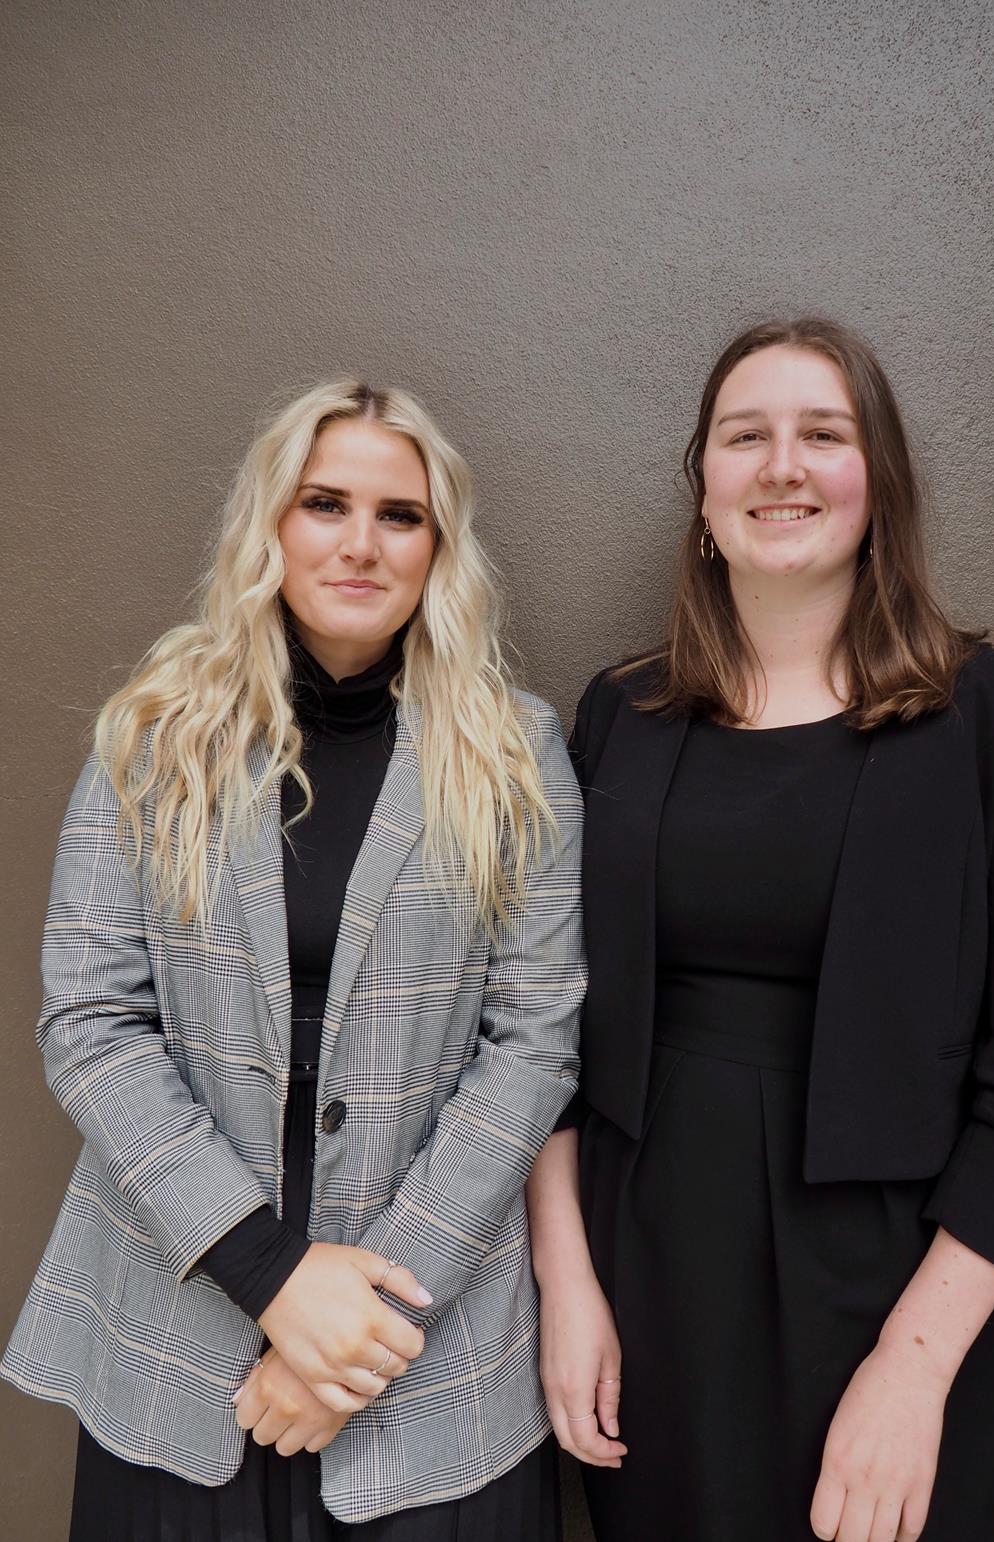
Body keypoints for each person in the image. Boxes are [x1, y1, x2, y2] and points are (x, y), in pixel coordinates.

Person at [526, 318, 994, 1542]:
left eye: (821, 435)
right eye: (746, 436)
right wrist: (562, 1283)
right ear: (702, 493)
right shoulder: (618, 716)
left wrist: (911, 1368)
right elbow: (539, 1023)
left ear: (876, 485)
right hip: (648, 1285)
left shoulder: (991, 717)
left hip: (897, 1292)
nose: (781, 465)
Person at [2, 382, 585, 1541]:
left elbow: (534, 1042)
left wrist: (355, 1335)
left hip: (432, 1359)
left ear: (438, 546)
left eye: (398, 515)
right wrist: (270, 1276)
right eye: (325, 503)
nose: (360, 543)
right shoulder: (154, 736)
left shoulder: (516, 751)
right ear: (270, 522)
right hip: (177, 1335)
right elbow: (89, 1021)